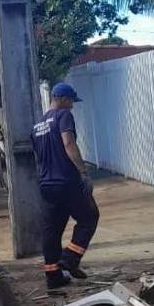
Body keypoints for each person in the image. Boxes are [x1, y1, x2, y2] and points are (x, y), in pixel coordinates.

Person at [31, 82, 100, 290]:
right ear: (62, 99)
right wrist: (83, 172)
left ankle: (53, 277)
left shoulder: (37, 126)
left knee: (51, 230)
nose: (71, 106)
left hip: (46, 184)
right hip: (67, 181)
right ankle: (69, 258)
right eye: (71, 101)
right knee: (89, 217)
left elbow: (40, 156)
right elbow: (69, 144)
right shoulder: (63, 116)